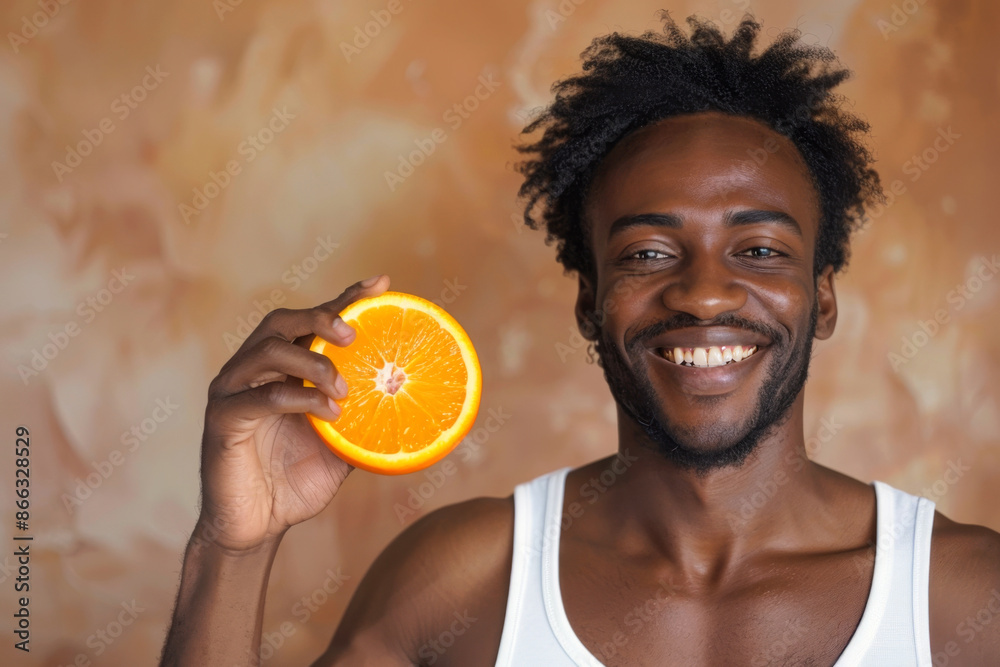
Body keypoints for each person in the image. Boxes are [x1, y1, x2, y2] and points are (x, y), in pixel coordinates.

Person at [160, 13, 1000, 666]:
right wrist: (236, 546)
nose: (704, 290)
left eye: (760, 250)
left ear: (821, 297)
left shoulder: (964, 599)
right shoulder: (461, 578)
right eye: (647, 253)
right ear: (589, 301)